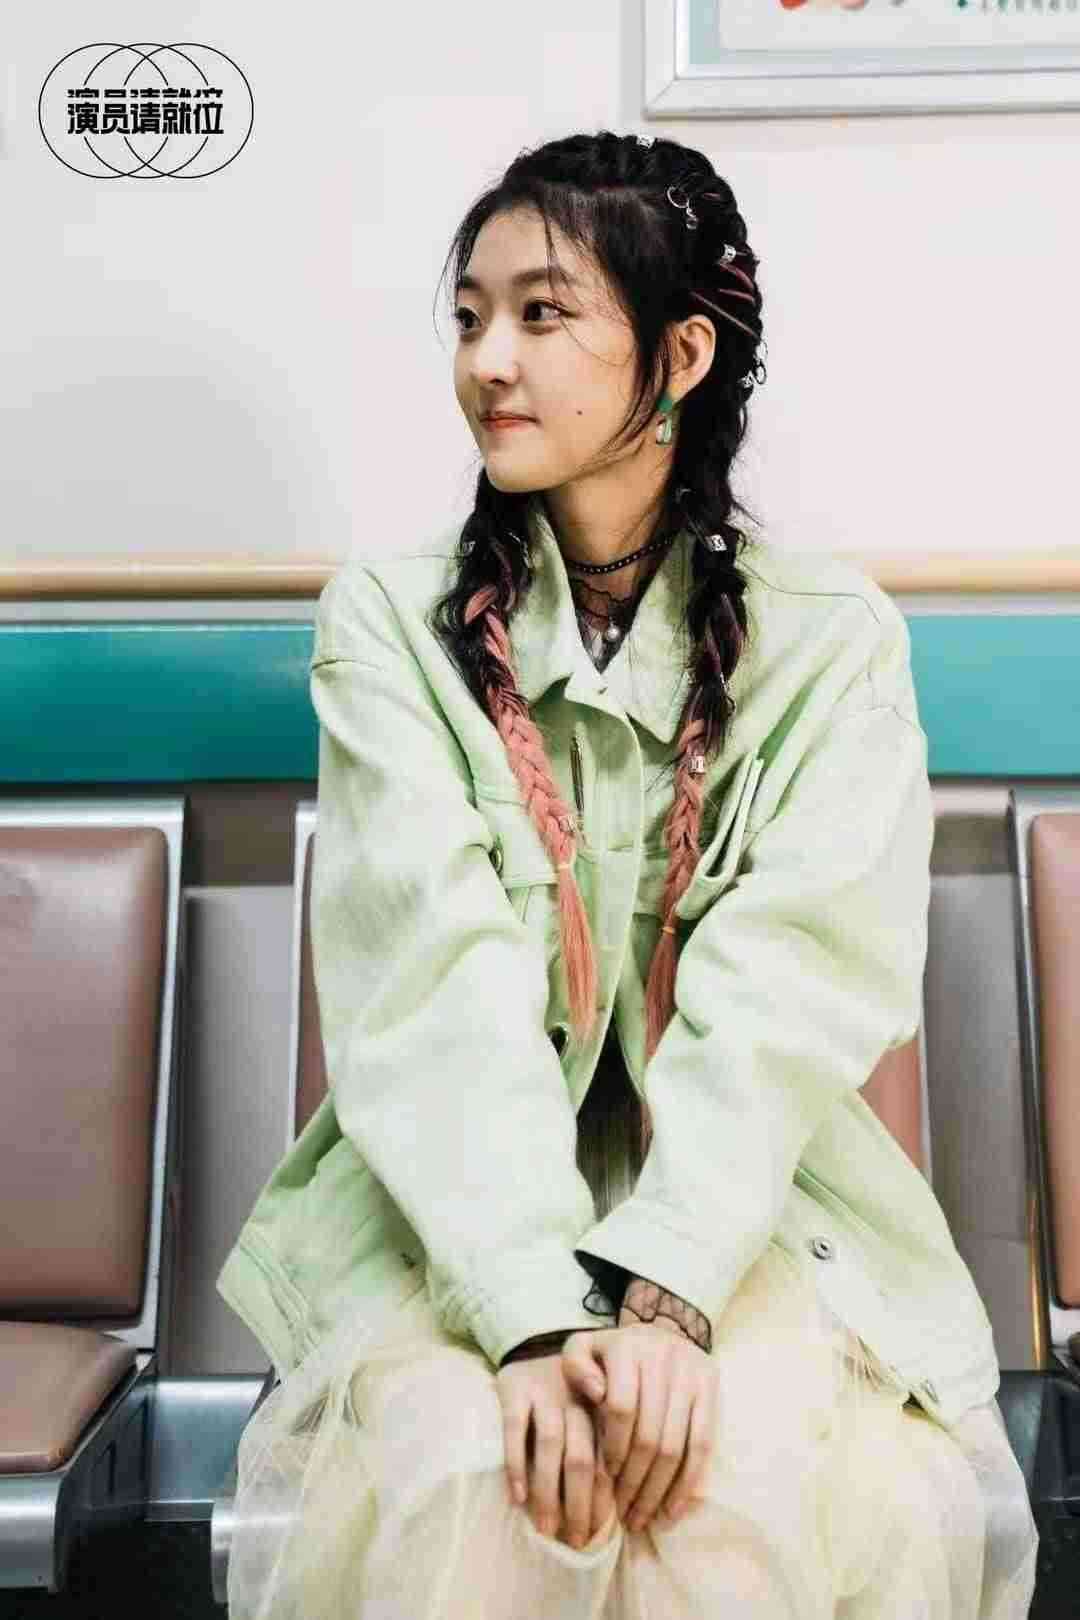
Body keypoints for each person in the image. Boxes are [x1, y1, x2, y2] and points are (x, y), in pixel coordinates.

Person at [216, 130, 1039, 1617]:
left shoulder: (831, 640)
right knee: (483, 1474)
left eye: (543, 313)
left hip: (746, 1202)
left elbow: (792, 994)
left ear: (682, 357)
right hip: (455, 1204)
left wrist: (668, 1294)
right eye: (469, 316)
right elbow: (428, 986)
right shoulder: (388, 625)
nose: (487, 361)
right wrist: (533, 1318)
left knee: (734, 1484)